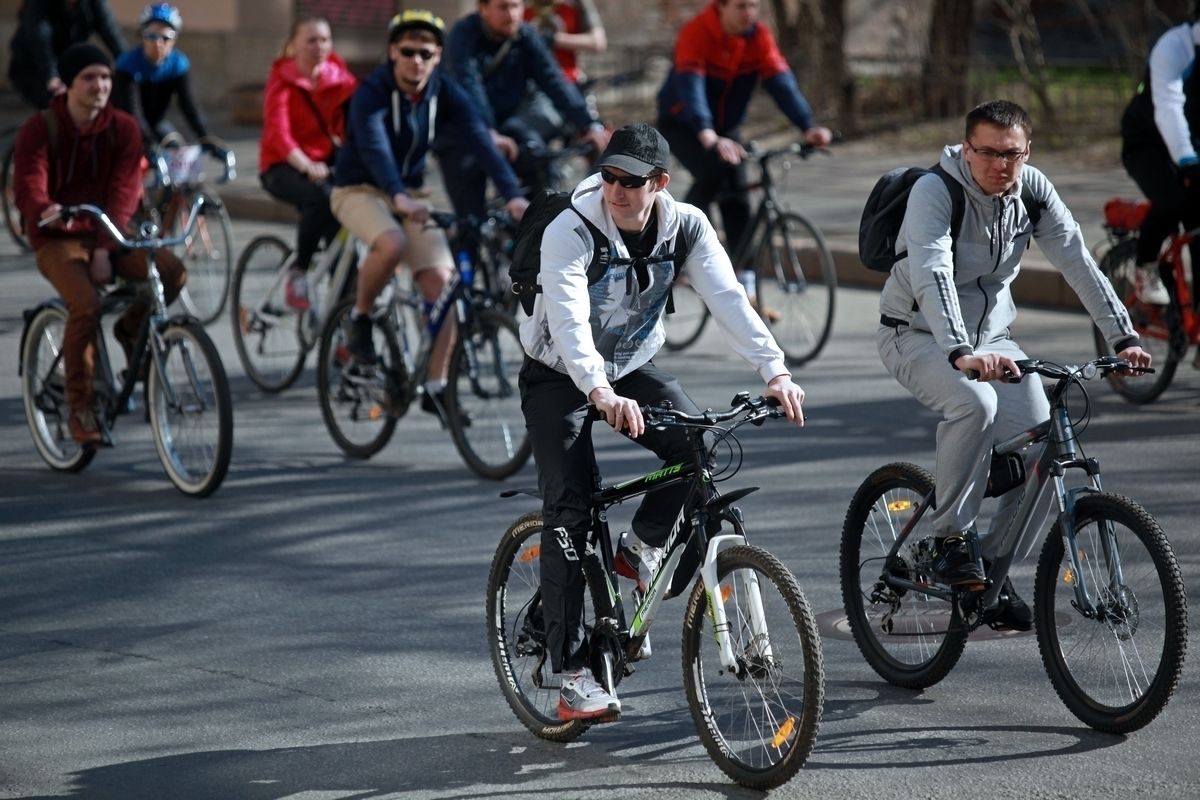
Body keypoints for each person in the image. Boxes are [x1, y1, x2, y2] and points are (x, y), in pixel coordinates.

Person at [519, 122, 806, 720]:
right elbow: (569, 319)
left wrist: (774, 371)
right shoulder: (569, 229)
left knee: (697, 447)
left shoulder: (687, 227)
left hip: (630, 365)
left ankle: (641, 545)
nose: (616, 190)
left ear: (660, 183)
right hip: (558, 373)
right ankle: (571, 671)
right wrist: (595, 389)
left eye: (630, 181)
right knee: (569, 507)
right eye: (609, 177)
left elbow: (728, 299)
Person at [876, 100, 1151, 630]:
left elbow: (1076, 257)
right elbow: (933, 272)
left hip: (993, 340)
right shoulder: (936, 191)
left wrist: (1124, 335)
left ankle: (989, 575)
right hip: (915, 335)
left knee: (1043, 445)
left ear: (1028, 152)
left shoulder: (1032, 191)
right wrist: (960, 351)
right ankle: (950, 536)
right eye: (988, 153)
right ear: (967, 147)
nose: (1001, 164)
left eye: (1013, 154)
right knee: (973, 402)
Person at [331, 10, 529, 421]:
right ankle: (361, 320)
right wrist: (397, 195)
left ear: (437, 55)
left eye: (425, 52)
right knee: (391, 243)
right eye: (407, 51)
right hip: (359, 189)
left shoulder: (444, 91)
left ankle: (437, 387)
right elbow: (374, 147)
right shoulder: (372, 91)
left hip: (411, 195)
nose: (415, 60)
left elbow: (478, 137)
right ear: (392, 52)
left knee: (444, 286)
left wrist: (512, 194)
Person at [12, 43, 186, 445]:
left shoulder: (123, 127)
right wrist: (46, 209)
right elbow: (28, 186)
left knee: (172, 273)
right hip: (58, 238)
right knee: (86, 304)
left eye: (106, 77)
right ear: (69, 85)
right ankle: (80, 405)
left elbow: (125, 192)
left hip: (112, 231)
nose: (100, 85)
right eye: (89, 78)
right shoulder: (40, 128)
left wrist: (107, 247)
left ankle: (130, 331)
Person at [656, 0, 832, 312]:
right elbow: (691, 88)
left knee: (738, 195)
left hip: (727, 127)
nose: (748, 13)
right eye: (740, 6)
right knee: (711, 173)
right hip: (684, 122)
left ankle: (746, 287)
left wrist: (808, 126)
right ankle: (680, 253)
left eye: (753, 5)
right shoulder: (698, 32)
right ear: (720, 7)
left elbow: (781, 82)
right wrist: (707, 134)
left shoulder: (758, 37)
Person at [440, 0, 610, 222]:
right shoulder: (462, 36)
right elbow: (469, 86)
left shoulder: (525, 36)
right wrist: (488, 131)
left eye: (516, 6)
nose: (511, 15)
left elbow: (553, 80)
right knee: (471, 219)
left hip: (509, 124)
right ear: (483, 8)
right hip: (464, 131)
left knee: (536, 159)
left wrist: (588, 125)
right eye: (503, 7)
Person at [259, 16, 358, 311]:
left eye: (325, 40)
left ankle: (340, 328)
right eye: (311, 40)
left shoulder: (340, 78)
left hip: (326, 165)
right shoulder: (282, 80)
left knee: (343, 251)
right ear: (293, 46)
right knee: (322, 198)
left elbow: (357, 123)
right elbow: (279, 134)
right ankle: (299, 272)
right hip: (282, 166)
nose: (320, 46)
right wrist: (305, 164)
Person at [1120, 3, 1200, 314]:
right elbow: (1169, 106)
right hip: (1147, 143)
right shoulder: (1175, 46)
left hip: (1191, 146)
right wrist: (1188, 161)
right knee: (1171, 201)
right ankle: (1144, 265)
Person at [112, 5, 214, 149]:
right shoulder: (127, 65)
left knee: (176, 149)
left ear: (175, 39)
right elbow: (132, 113)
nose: (158, 43)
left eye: (166, 37)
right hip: (125, 126)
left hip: (156, 123)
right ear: (142, 36)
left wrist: (207, 139)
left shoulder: (178, 64)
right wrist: (148, 143)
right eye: (151, 36)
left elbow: (189, 107)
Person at [7, 0, 126, 110]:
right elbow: (39, 39)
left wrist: (128, 67)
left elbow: (111, 33)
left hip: (70, 65)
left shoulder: (93, 3)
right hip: (33, 67)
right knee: (58, 102)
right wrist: (52, 77)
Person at [523, 0, 606, 85]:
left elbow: (598, 42)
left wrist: (554, 39)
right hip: (530, 79)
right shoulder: (521, 5)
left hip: (567, 77)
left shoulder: (574, 4)